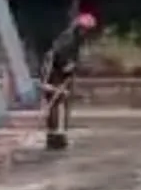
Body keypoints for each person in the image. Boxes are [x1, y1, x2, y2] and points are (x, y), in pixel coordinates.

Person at [40, 11, 99, 150]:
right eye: (86, 30)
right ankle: (54, 137)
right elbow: (57, 56)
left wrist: (71, 68)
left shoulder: (77, 39)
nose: (87, 34)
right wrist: (67, 67)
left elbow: (71, 59)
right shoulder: (69, 39)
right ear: (80, 28)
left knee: (62, 102)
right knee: (55, 102)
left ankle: (58, 135)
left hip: (60, 72)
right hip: (53, 72)